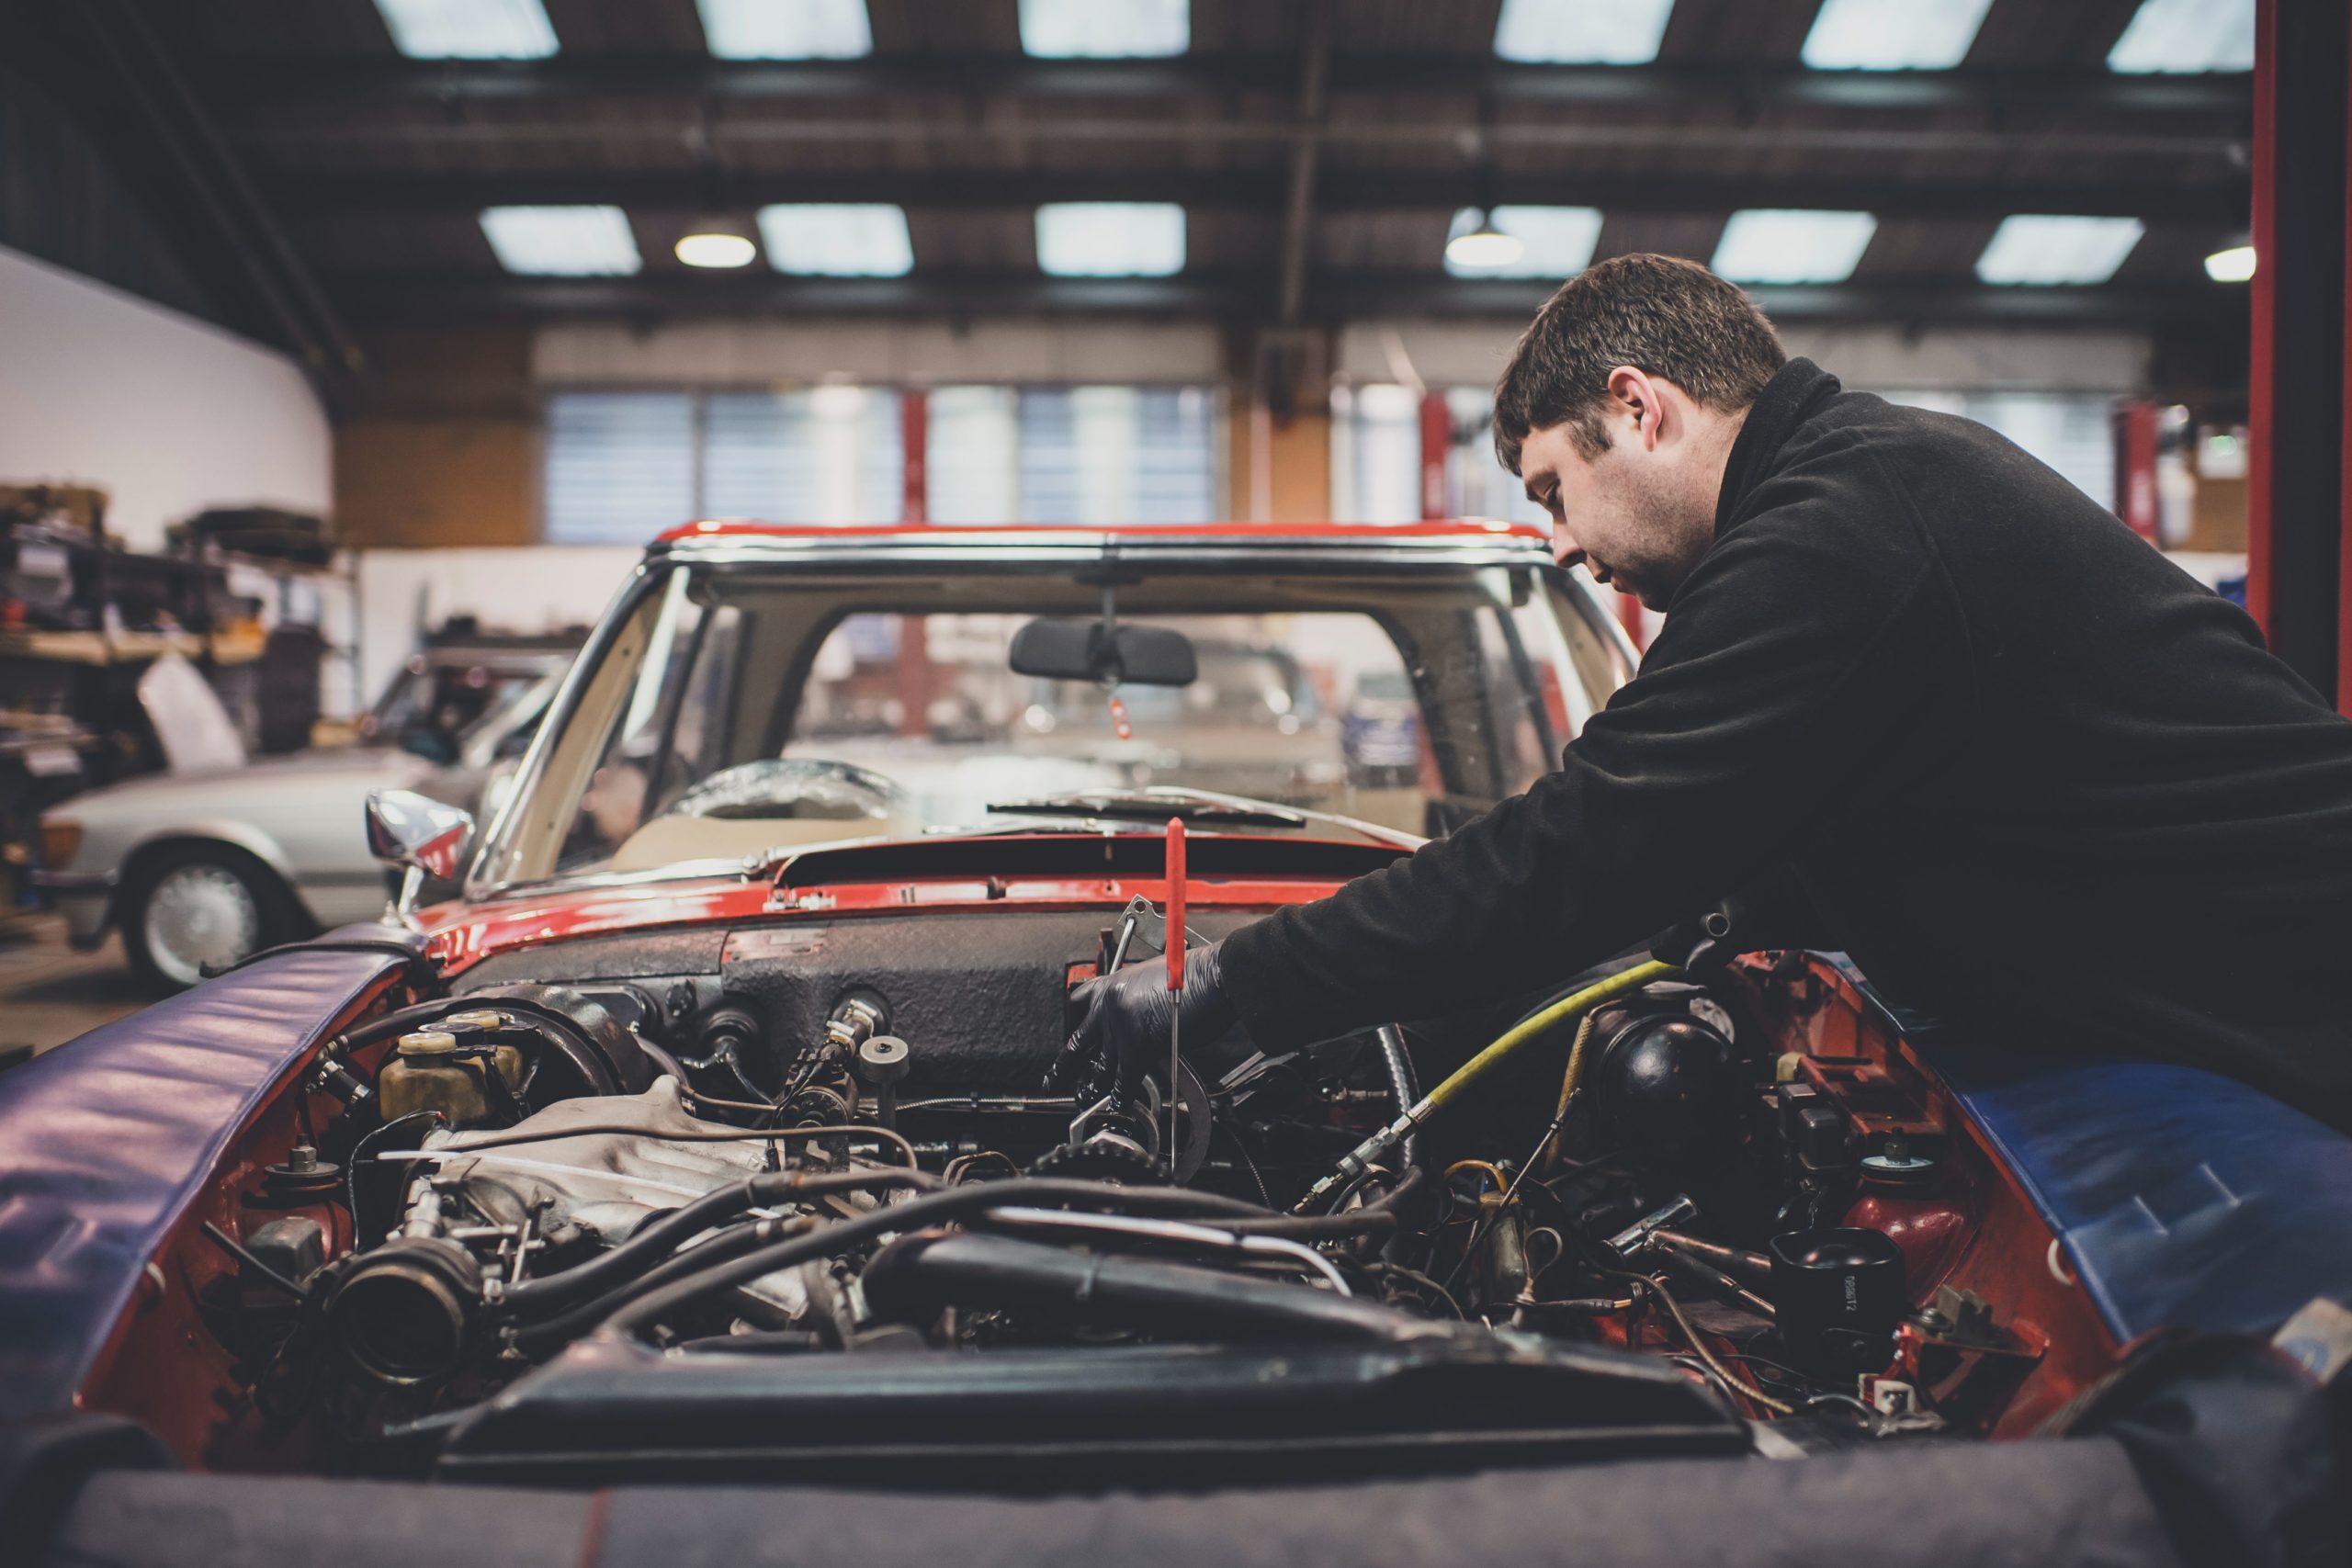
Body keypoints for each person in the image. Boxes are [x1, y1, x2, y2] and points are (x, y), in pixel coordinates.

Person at [1061, 253, 2352, 1127]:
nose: (1561, 539)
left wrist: (1239, 987)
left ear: (1639, 408)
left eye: (1553, 487)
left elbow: (1595, 840)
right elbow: (1795, 835)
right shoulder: (1866, 489)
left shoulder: (1844, 528)